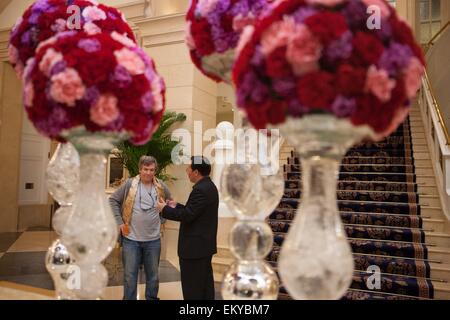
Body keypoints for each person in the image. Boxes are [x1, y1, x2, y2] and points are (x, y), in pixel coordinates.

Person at [109, 155, 172, 300]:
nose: (148, 173)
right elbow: (113, 200)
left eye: (151, 170)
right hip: (131, 239)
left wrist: (163, 217)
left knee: (153, 276)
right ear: (140, 169)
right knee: (130, 276)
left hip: (153, 240)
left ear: (155, 170)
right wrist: (119, 222)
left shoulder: (161, 186)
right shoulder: (129, 184)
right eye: (145, 169)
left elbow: (171, 203)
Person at [156, 156, 219, 300]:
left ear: (196, 172)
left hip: (194, 249)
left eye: (189, 168)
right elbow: (193, 211)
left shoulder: (200, 190)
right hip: (202, 247)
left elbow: (187, 216)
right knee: (204, 287)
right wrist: (175, 205)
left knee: (193, 289)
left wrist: (164, 209)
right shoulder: (208, 186)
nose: (187, 171)